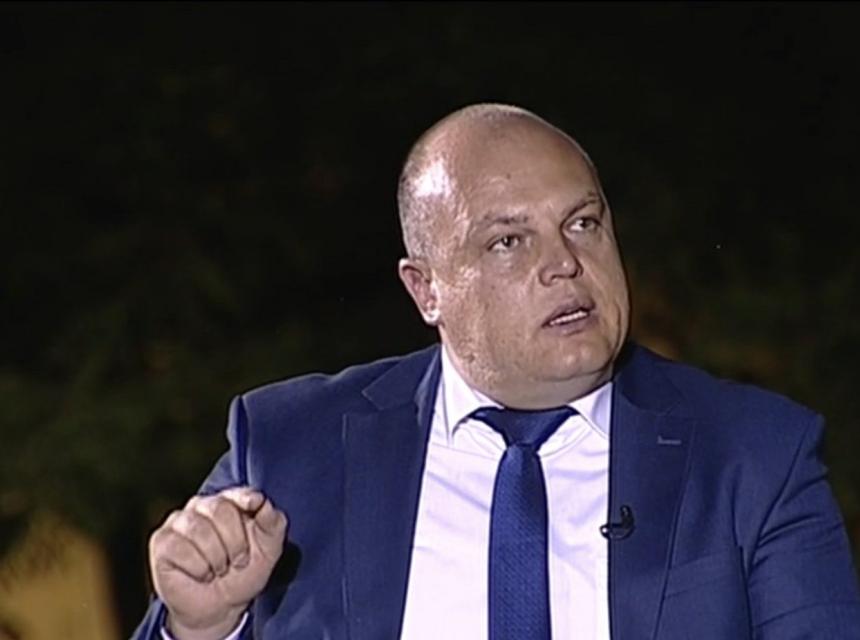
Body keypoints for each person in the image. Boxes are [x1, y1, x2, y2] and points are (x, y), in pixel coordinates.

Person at [132, 104, 860, 639]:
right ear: (426, 290)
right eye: (509, 241)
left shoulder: (757, 457)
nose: (565, 263)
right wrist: (201, 629)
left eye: (582, 223)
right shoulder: (290, 448)